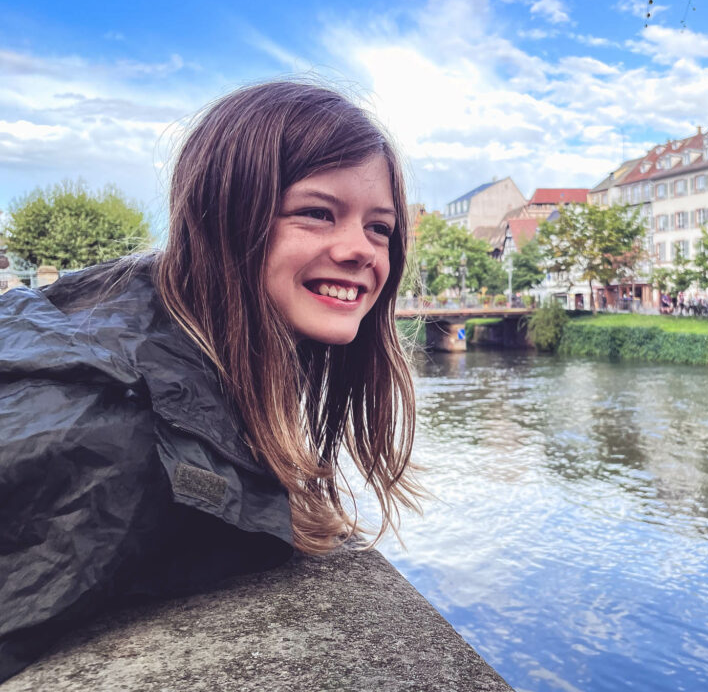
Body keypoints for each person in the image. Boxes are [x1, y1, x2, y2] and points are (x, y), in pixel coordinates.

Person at [0, 81, 421, 682]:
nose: (361, 249)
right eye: (315, 213)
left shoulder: (170, 340)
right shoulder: (114, 429)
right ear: (223, 219)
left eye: (380, 228)